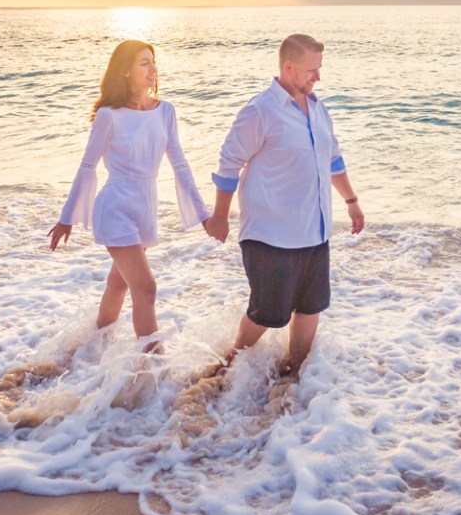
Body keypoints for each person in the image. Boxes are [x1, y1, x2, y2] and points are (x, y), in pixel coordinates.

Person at [204, 33, 364, 374]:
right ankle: (227, 366)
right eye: (311, 70)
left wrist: (351, 201)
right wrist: (220, 215)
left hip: (315, 232)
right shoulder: (260, 111)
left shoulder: (319, 109)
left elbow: (333, 159)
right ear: (288, 67)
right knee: (269, 313)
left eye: (319, 69)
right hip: (271, 234)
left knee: (311, 306)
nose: (317, 77)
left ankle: (295, 374)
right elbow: (229, 163)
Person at [49, 40, 213, 351]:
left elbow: (179, 163)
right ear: (125, 72)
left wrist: (203, 214)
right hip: (116, 208)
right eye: (144, 63)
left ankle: (95, 345)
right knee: (146, 288)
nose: (153, 69)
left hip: (146, 210)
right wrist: (67, 218)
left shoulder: (165, 111)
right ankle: (153, 367)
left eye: (153, 62)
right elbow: (87, 167)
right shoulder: (109, 116)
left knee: (119, 284)